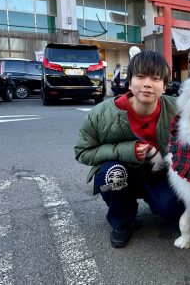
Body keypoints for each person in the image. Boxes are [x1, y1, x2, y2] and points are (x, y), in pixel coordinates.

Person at [75, 51, 184, 248]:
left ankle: (160, 203)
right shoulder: (102, 113)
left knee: (173, 207)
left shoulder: (178, 109)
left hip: (160, 175)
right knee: (113, 174)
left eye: (156, 78)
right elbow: (83, 152)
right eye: (140, 76)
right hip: (122, 172)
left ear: (165, 85)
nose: (147, 84)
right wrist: (128, 150)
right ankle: (122, 222)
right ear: (129, 81)